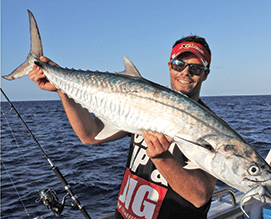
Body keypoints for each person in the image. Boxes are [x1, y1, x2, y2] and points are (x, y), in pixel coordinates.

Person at [29, 35, 217, 219]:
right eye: (179, 65)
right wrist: (62, 88)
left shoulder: (210, 128)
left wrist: (162, 158)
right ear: (170, 66)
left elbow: (199, 196)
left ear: (206, 74)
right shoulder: (143, 104)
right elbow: (91, 135)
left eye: (196, 68)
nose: (185, 72)